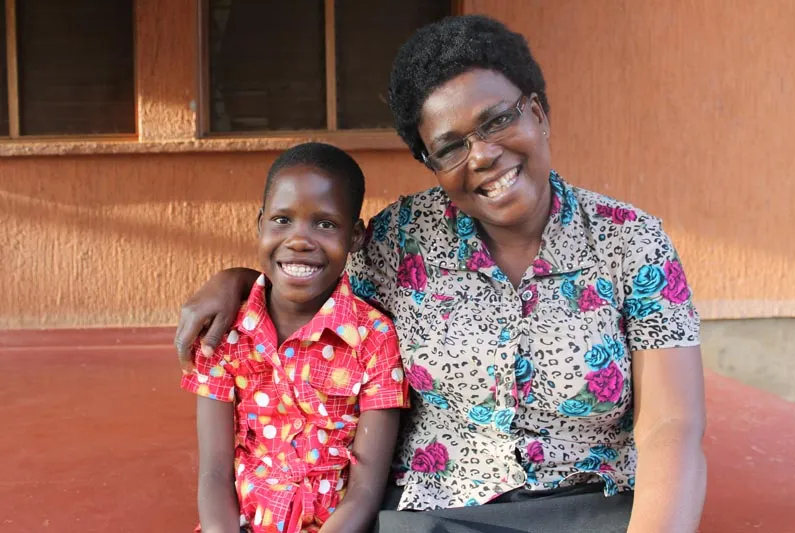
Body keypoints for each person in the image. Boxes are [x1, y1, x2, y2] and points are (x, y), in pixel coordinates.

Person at [176, 15, 706, 533]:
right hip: (437, 509)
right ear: (432, 163)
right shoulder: (400, 239)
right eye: (451, 147)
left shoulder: (631, 242)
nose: (483, 156)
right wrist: (238, 278)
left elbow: (670, 426)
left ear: (539, 114)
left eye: (497, 120)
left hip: (593, 505)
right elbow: (309, 273)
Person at [180, 142, 409, 533]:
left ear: (354, 236)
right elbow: (214, 474)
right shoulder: (223, 333)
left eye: (325, 223)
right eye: (282, 220)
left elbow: (364, 493)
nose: (300, 239)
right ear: (259, 224)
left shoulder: (373, 338)